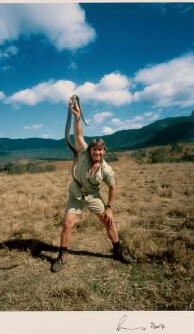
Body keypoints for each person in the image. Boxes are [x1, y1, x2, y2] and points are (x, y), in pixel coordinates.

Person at [51, 97, 133, 273]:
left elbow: (113, 188)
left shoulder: (107, 170)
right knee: (67, 223)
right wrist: (77, 116)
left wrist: (109, 207)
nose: (98, 152)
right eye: (95, 149)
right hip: (76, 194)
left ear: (104, 151)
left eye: (101, 149)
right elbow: (79, 134)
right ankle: (62, 256)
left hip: (93, 196)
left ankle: (118, 251)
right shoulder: (83, 153)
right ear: (90, 150)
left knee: (109, 221)